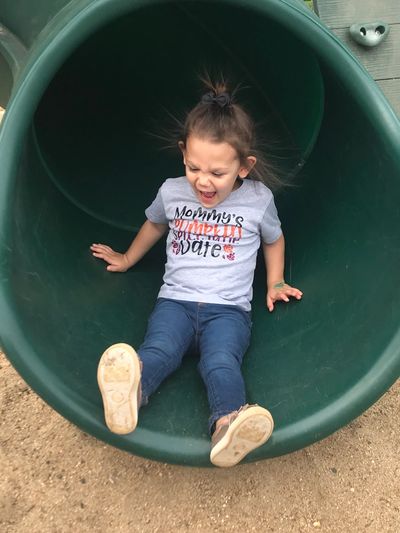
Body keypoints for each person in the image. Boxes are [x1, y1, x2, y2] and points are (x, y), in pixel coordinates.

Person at [91, 77, 303, 467]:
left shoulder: (258, 200)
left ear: (244, 167)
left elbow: (274, 239)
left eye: (217, 173)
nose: (203, 180)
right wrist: (126, 258)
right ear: (183, 154)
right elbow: (155, 225)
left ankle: (227, 426)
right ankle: (128, 393)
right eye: (193, 167)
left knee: (221, 361)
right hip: (176, 301)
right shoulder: (172, 191)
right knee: (159, 350)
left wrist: (275, 282)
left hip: (229, 310)